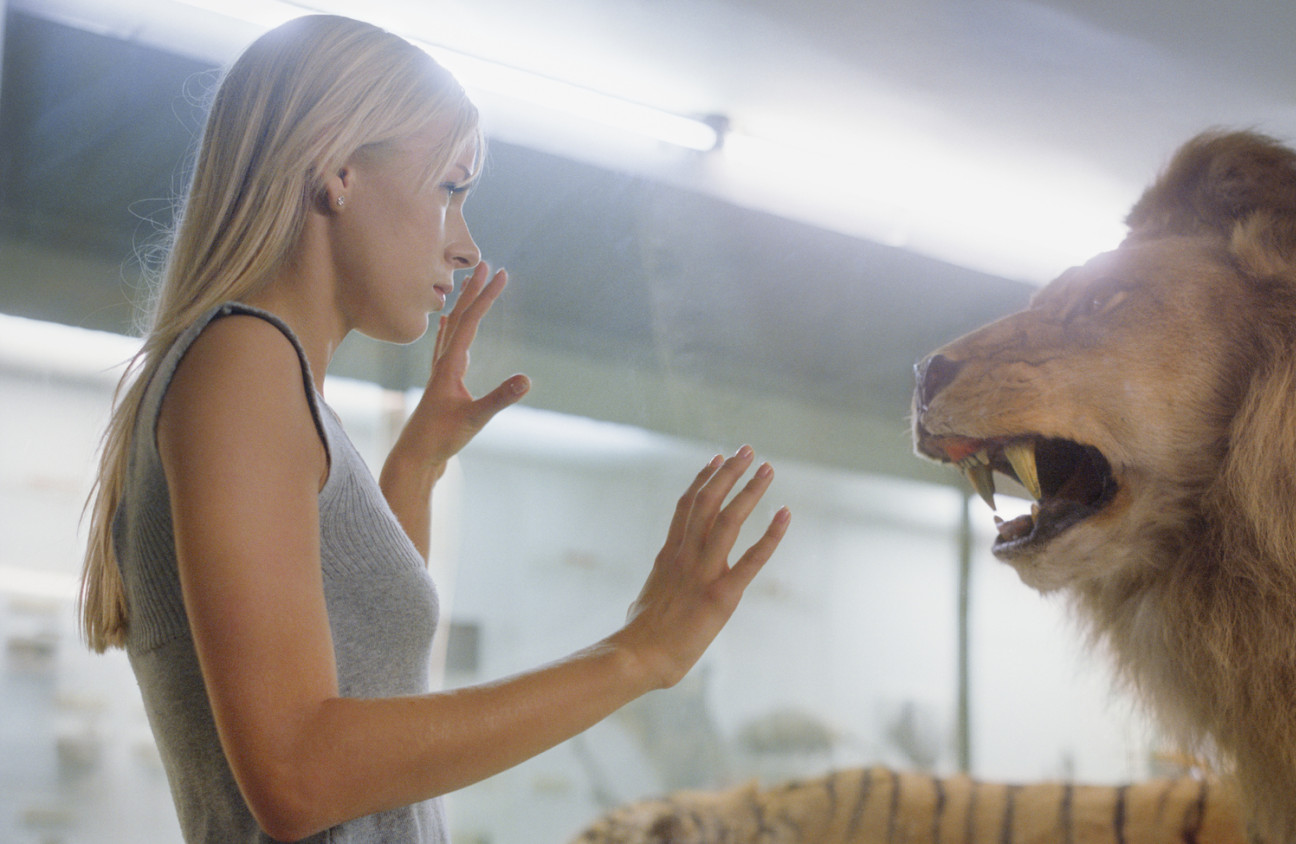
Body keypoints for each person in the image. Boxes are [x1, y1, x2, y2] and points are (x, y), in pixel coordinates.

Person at [77, 14, 790, 843]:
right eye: (450, 189)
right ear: (339, 168)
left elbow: (367, 688)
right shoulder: (243, 359)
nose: (465, 245)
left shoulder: (266, 381)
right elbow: (297, 773)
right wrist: (639, 655)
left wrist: (414, 472)